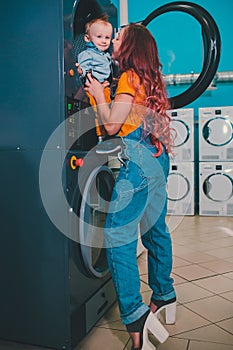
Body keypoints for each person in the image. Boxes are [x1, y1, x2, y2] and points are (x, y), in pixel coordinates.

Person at [84, 23, 176, 350]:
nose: (113, 41)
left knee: (116, 235)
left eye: (119, 36)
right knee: (155, 230)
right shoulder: (149, 81)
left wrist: (96, 94)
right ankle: (164, 295)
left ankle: (136, 317)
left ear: (130, 46)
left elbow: (111, 124)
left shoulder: (128, 78)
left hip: (137, 160)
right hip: (157, 155)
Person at [76, 15, 121, 153]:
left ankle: (108, 138)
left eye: (107, 38)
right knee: (98, 111)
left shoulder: (106, 55)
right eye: (99, 37)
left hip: (104, 88)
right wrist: (80, 71)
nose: (104, 41)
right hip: (93, 88)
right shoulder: (87, 54)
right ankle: (101, 138)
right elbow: (82, 68)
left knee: (108, 111)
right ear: (87, 38)